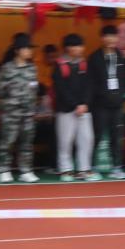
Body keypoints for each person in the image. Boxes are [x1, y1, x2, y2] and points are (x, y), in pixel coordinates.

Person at [52, 33, 99, 182]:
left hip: (84, 109)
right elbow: (61, 89)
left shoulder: (85, 64)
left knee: (87, 138)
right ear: (68, 48)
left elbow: (90, 86)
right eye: (76, 46)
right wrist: (75, 104)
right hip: (66, 109)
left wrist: (84, 103)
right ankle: (65, 170)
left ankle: (84, 169)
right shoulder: (59, 65)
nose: (79, 49)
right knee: (65, 141)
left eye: (80, 46)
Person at [0, 35, 40, 184]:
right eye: (26, 48)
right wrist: (11, 99)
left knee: (27, 142)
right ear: (17, 50)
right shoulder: (7, 68)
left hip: (28, 112)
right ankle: (4, 170)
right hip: (11, 111)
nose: (29, 51)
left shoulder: (32, 68)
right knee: (8, 141)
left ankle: (26, 171)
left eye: (30, 49)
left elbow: (34, 89)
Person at [88, 25, 125, 179]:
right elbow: (91, 82)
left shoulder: (120, 56)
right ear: (102, 38)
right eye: (108, 36)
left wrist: (121, 95)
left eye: (114, 36)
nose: (111, 39)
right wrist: (97, 98)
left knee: (116, 136)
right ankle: (92, 167)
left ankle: (116, 167)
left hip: (117, 103)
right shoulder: (94, 57)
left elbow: (123, 78)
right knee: (97, 135)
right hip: (100, 104)